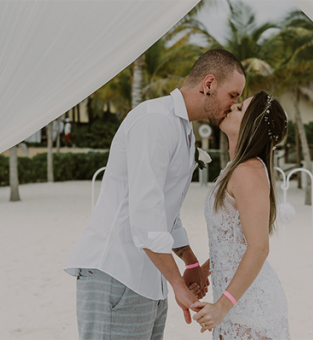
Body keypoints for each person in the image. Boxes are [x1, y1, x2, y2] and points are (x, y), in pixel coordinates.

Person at [64, 49, 246, 340]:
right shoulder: (155, 121)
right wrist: (177, 284)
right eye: (234, 95)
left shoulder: (183, 129)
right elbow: (146, 217)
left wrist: (191, 261)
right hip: (117, 275)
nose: (234, 104)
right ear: (209, 84)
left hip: (151, 279)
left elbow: (165, 213)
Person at [191, 91, 290, 339]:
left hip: (249, 307)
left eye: (239, 109)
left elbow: (258, 248)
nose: (231, 107)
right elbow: (233, 239)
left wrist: (222, 306)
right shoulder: (235, 168)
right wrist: (205, 270)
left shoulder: (249, 171)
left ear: (252, 126)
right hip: (231, 300)